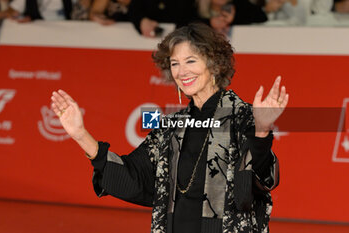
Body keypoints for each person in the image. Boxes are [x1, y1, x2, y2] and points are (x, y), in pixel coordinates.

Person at [51, 23, 288, 233]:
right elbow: (134, 176)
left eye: (191, 61)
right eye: (175, 63)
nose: (182, 71)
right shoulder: (170, 126)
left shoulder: (242, 116)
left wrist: (262, 130)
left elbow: (262, 177)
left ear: (214, 64)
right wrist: (81, 135)